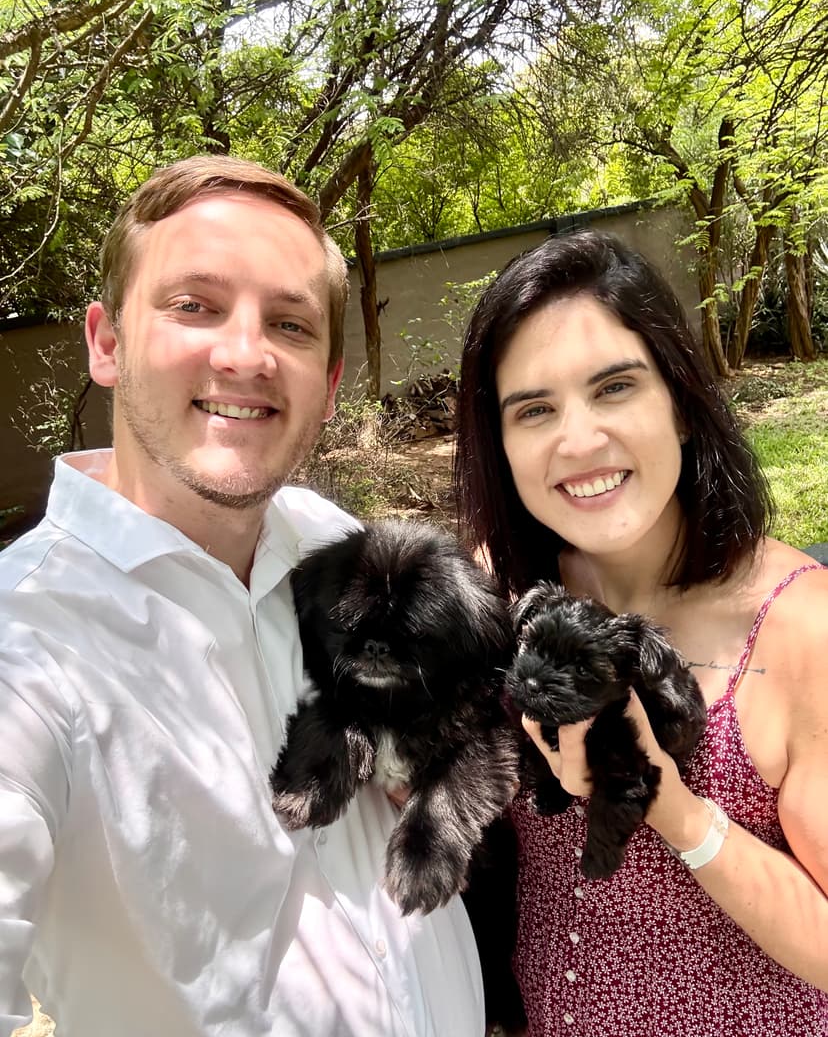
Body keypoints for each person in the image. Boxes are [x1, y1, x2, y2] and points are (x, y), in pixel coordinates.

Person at [0, 155, 487, 1037]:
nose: (246, 354)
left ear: (330, 385)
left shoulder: (328, 542)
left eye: (292, 325)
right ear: (105, 343)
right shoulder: (25, 647)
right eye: (194, 305)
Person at [454, 230, 828, 1037]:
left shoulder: (801, 630)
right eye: (535, 410)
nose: (579, 440)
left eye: (615, 388)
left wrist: (669, 804)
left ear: (683, 406)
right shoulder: (504, 595)